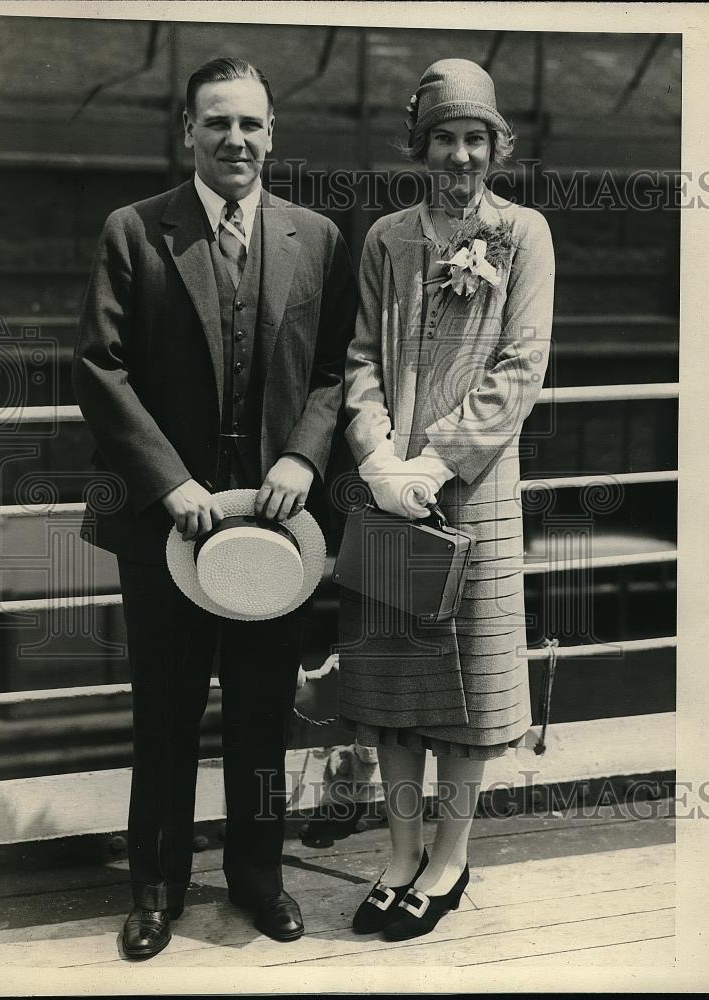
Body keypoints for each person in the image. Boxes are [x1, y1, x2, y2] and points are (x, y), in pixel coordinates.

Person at [72, 56, 357, 958]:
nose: (234, 140)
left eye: (250, 125)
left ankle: (258, 879)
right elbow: (99, 368)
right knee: (164, 705)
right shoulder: (134, 230)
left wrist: (305, 458)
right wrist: (170, 482)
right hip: (167, 524)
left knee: (264, 707)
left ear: (273, 135)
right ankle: (156, 887)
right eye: (216, 123)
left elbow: (333, 370)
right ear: (187, 132)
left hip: (277, 527)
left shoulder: (316, 236)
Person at [339, 58, 555, 941]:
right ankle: (396, 853)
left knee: (466, 694)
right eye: (444, 138)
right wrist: (379, 455)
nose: (459, 155)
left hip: (475, 493)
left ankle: (450, 857)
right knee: (393, 683)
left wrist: (439, 460)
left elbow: (521, 366)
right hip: (392, 493)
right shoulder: (388, 236)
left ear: (496, 145)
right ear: (420, 145)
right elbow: (359, 356)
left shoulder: (523, 234)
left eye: (475, 138)